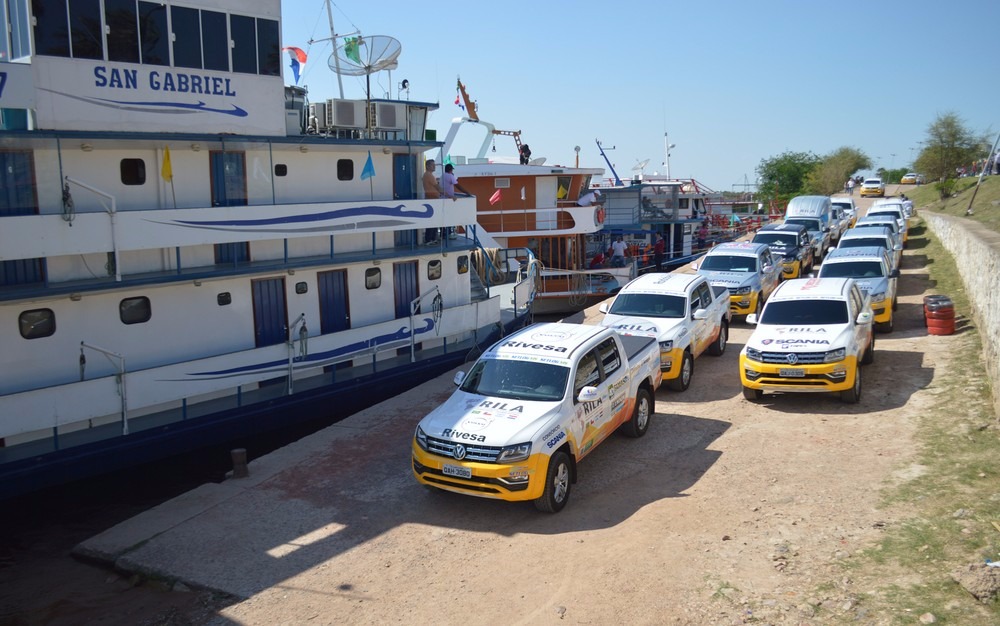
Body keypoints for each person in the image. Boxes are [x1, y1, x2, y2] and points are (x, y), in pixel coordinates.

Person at [441, 163, 470, 239]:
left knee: (444, 217)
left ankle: (443, 234)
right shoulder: (450, 176)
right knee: (450, 216)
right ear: (451, 170)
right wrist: (467, 192)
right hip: (449, 199)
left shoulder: (442, 176)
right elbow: (457, 185)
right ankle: (448, 234)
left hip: (442, 199)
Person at [422, 159, 443, 244]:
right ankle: (429, 239)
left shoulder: (427, 175)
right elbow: (437, 187)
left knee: (434, 221)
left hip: (433, 200)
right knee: (433, 221)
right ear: (427, 166)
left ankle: (433, 238)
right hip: (432, 200)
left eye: (434, 165)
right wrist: (449, 194)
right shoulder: (429, 175)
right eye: (432, 165)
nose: (434, 166)